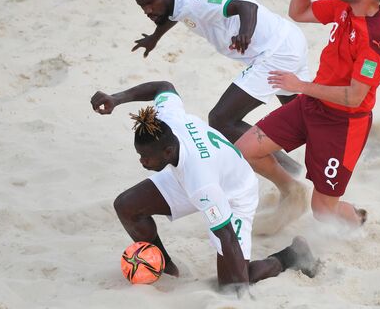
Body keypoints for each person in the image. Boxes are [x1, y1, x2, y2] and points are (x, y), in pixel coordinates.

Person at [90, 81, 318, 292]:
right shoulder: (165, 119)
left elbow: (226, 235)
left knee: (233, 284)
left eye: (146, 158)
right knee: (126, 206)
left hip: (235, 194)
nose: (142, 162)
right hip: (197, 172)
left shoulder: (201, 184)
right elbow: (163, 87)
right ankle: (165, 267)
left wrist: (241, 296)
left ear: (168, 151)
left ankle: (291, 255)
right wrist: (116, 99)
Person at [235, 0, 380, 233]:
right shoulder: (344, 5)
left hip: (343, 125)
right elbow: (298, 12)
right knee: (245, 150)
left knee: (324, 213)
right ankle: (291, 191)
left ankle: (356, 219)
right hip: (311, 105)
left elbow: (354, 96)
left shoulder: (376, 39)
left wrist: (299, 86)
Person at [130, 0, 309, 175]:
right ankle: (333, 156)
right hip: (287, 39)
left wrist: (245, 33)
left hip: (276, 53)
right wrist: (154, 38)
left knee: (221, 120)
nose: (147, 11)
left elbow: (247, 8)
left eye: (150, 3)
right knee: (304, 120)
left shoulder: (197, 2)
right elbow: (173, 14)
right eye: (142, 6)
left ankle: (291, 173)